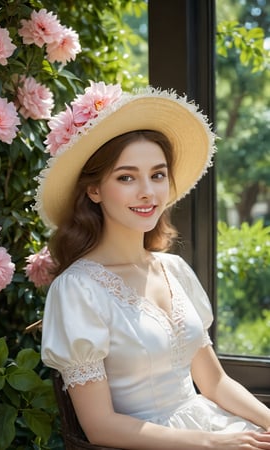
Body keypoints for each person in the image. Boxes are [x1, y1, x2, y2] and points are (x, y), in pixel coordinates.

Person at [36, 81, 270, 449]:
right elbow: (100, 426)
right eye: (126, 177)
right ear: (94, 190)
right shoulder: (77, 290)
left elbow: (214, 383)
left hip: (210, 423)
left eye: (157, 174)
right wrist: (210, 444)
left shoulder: (174, 269)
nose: (147, 191)